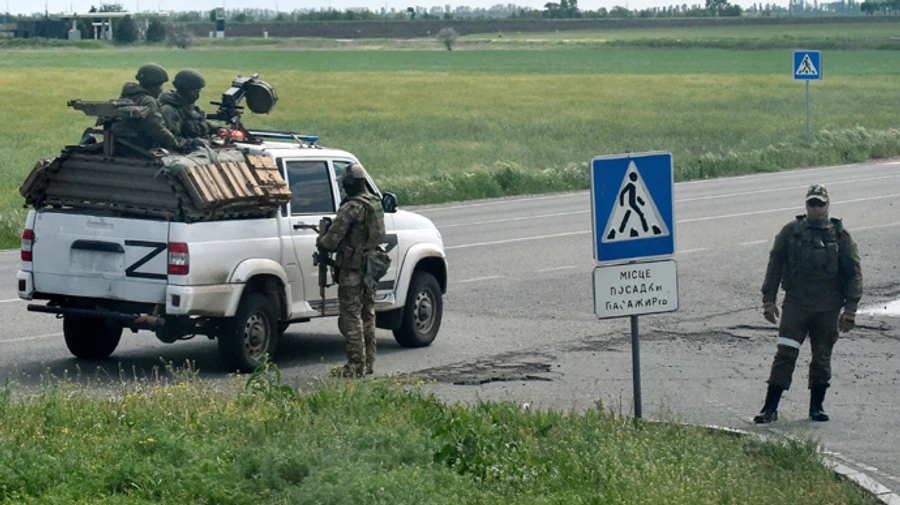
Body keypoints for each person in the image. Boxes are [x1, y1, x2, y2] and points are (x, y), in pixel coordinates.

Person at [754, 183, 863, 424]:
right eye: (811, 203)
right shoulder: (791, 233)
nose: (815, 208)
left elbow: (853, 274)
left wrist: (850, 310)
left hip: (828, 307)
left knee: (822, 357)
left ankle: (817, 407)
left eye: (820, 203)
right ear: (806, 205)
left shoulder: (840, 236)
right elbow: (774, 267)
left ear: (827, 205)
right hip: (796, 306)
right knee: (785, 354)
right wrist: (768, 301)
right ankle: (770, 408)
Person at [316, 162, 386, 377]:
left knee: (351, 316)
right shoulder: (375, 203)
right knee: (368, 314)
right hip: (371, 267)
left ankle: (356, 366)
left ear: (350, 184)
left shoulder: (352, 207)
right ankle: (368, 363)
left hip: (353, 269)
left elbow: (330, 241)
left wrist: (321, 239)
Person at [111, 63, 186, 155]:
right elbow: (157, 128)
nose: (161, 89)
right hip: (139, 149)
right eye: (160, 85)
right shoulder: (148, 100)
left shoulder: (127, 96)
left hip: (122, 146)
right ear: (153, 85)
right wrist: (176, 144)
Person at [160, 69, 215, 143]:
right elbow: (168, 138)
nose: (197, 95)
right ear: (184, 90)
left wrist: (217, 129)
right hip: (180, 152)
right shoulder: (169, 110)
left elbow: (200, 122)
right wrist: (193, 143)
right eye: (195, 92)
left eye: (198, 91)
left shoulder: (190, 106)